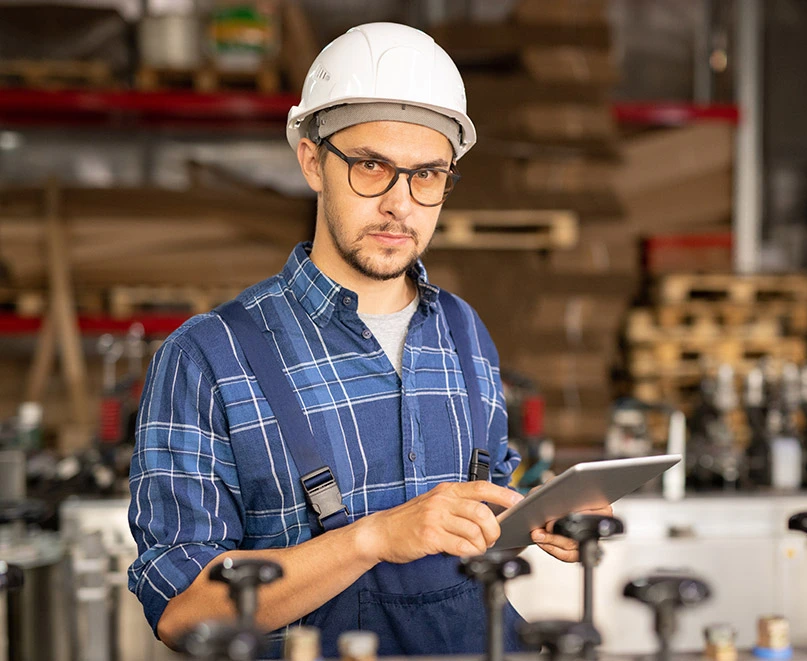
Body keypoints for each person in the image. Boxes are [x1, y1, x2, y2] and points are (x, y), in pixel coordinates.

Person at [128, 22, 589, 659]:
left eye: (427, 175)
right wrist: (372, 538)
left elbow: (486, 502)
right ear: (313, 161)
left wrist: (536, 516)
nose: (401, 204)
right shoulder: (207, 358)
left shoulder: (463, 332)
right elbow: (183, 616)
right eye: (373, 166)